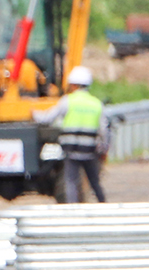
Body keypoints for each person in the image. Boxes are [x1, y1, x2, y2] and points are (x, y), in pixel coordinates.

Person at [34, 65, 106, 203]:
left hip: (71, 149)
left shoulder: (67, 101)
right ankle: (103, 203)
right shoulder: (96, 104)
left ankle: (72, 209)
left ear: (73, 85)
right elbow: (104, 130)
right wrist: (103, 148)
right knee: (94, 181)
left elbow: (47, 118)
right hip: (89, 150)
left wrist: (33, 113)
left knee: (71, 180)